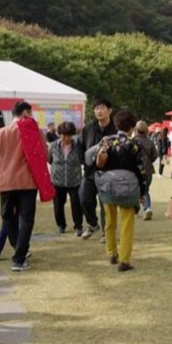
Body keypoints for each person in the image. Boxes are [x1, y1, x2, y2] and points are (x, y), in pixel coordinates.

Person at [0, 101, 54, 272]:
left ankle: (19, 249)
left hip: (7, 182)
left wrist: (4, 168)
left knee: (8, 217)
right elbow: (45, 155)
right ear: (25, 113)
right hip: (28, 183)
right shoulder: (35, 131)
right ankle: (19, 257)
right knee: (26, 220)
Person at [93, 110, 146, 272]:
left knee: (109, 222)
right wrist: (142, 191)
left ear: (116, 125)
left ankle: (111, 253)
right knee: (126, 224)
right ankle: (124, 260)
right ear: (131, 127)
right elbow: (140, 170)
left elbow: (98, 163)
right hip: (128, 188)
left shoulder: (107, 142)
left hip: (108, 187)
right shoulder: (134, 145)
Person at [79, 98, 116, 240]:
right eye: (96, 108)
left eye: (102, 108)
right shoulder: (88, 128)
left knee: (105, 203)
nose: (99, 111)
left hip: (108, 172)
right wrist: (83, 161)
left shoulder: (115, 129)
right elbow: (80, 146)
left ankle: (106, 232)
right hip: (89, 172)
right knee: (84, 198)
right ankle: (92, 224)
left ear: (109, 110)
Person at [48, 121, 84, 235]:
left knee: (76, 204)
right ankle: (61, 225)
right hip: (57, 181)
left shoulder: (78, 146)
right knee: (58, 205)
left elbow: (82, 160)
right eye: (63, 135)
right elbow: (50, 160)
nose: (66, 138)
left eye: (68, 135)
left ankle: (78, 226)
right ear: (59, 134)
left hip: (75, 180)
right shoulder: (53, 146)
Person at [131, 121, 158, 220]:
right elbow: (155, 156)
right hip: (148, 170)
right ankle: (147, 208)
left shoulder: (132, 141)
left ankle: (135, 210)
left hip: (135, 170)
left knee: (134, 190)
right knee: (145, 190)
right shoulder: (150, 142)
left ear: (136, 130)